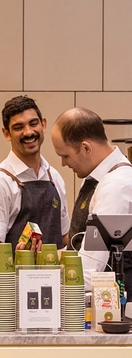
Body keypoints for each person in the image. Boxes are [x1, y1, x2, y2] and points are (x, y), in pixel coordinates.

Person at [0, 95, 70, 263]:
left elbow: (64, 238)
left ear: (43, 125)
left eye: (33, 124)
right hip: (15, 286)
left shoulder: (54, 177)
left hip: (56, 285)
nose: (28, 132)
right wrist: (21, 258)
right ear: (6, 133)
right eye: (18, 127)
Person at [51, 107, 132, 296]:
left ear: (86, 148)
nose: (63, 163)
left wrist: (42, 278)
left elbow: (90, 270)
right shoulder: (96, 178)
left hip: (116, 308)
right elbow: (82, 246)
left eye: (65, 156)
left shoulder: (115, 185)